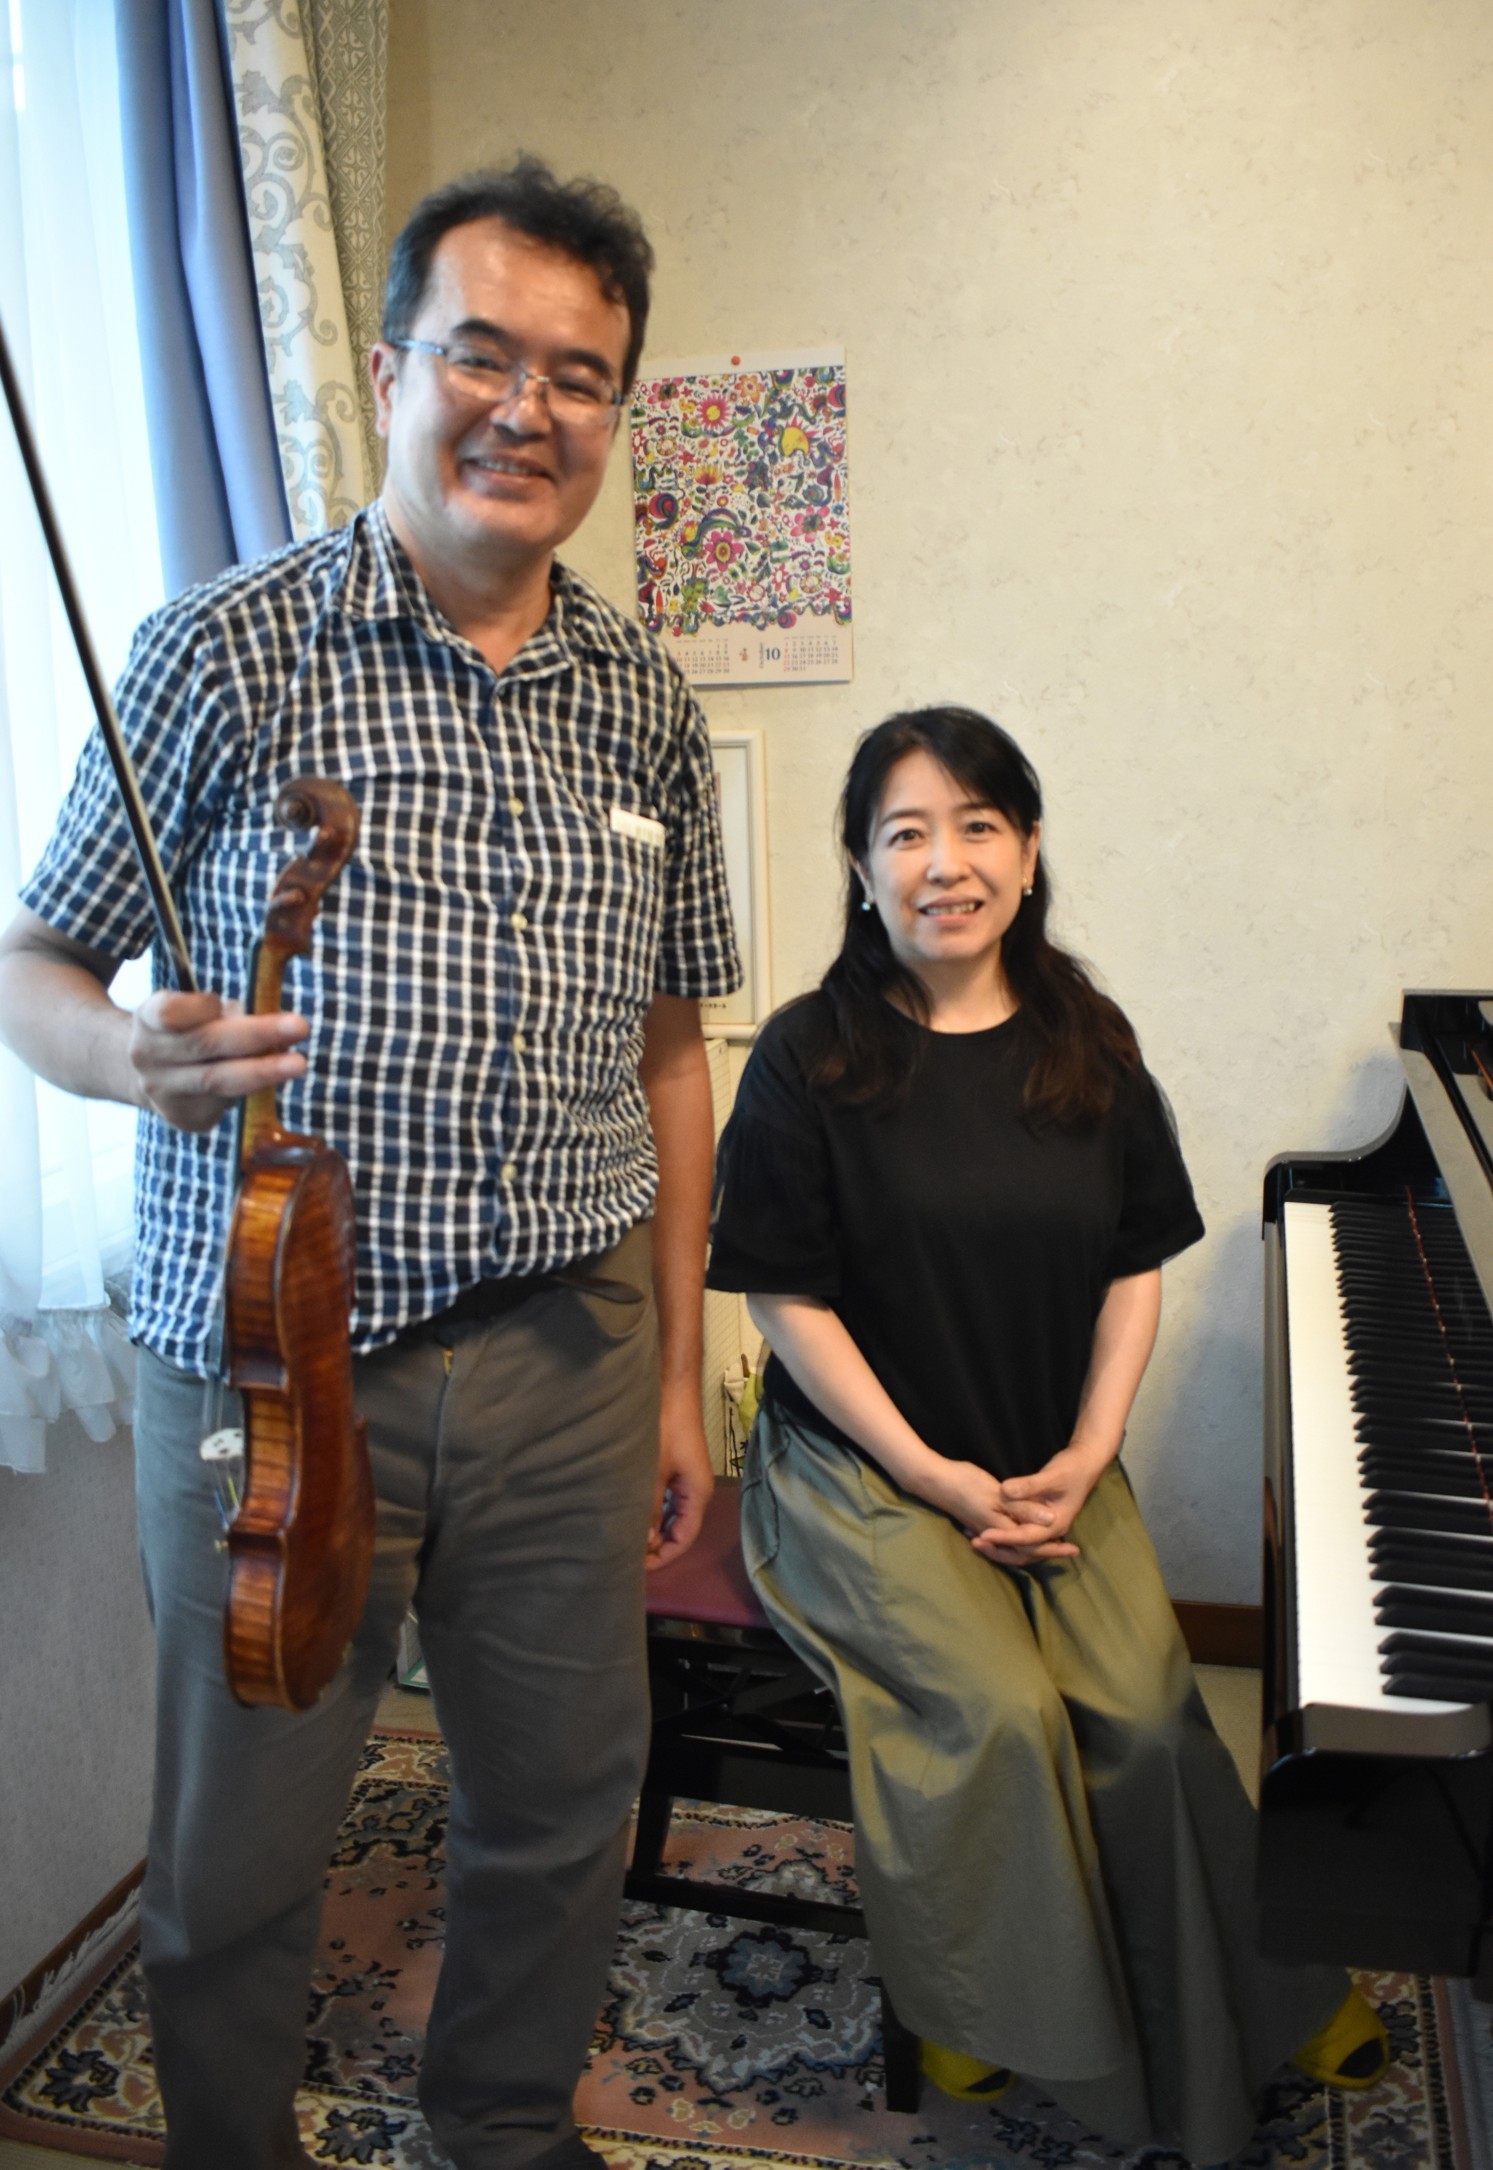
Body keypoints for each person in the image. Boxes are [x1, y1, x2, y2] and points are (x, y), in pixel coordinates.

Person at [0, 160, 739, 2170]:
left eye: (579, 375)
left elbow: (674, 1052)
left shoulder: (644, 702)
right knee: (242, 1839)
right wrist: (134, 1059)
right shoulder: (222, 649)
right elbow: (33, 965)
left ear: (615, 411)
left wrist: (679, 1372)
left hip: (573, 1347)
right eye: (483, 354)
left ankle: (501, 2131)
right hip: (275, 1361)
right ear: (394, 367)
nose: (528, 408)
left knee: (562, 1800)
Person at [705, 705, 1387, 2162]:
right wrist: (928, 1474)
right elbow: (783, 1297)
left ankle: (1259, 2000)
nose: (943, 862)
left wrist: (1086, 1450)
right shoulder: (808, 1055)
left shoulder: (1087, 1043)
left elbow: (1133, 1267)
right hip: (862, 1473)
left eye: (977, 826)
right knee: (1002, 1712)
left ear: (1026, 851)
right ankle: (993, 2004)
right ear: (859, 865)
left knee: (1142, 1715)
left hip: (1050, 1456)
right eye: (905, 833)